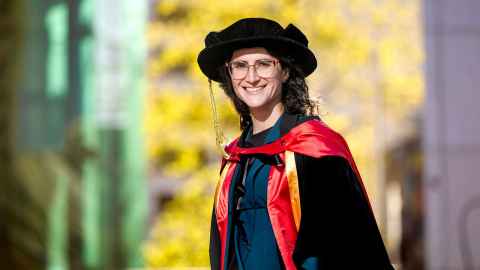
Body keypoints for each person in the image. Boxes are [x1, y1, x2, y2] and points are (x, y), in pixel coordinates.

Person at [197, 17, 393, 270]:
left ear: (285, 71)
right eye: (240, 66)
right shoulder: (236, 159)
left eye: (264, 64)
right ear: (230, 75)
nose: (252, 76)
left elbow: (352, 245)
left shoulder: (316, 149)